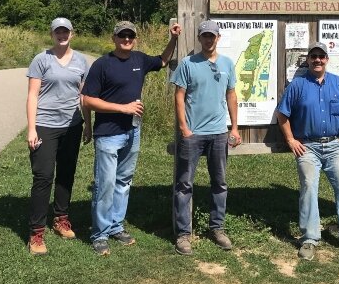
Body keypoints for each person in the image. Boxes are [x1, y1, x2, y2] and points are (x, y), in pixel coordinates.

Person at [82, 20, 181, 256]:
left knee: (123, 182)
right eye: (122, 35)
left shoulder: (139, 60)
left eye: (130, 35)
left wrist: (174, 38)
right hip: (108, 134)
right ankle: (100, 233)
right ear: (114, 38)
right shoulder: (102, 65)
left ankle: (116, 226)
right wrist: (123, 108)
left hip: (132, 132)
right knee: (104, 184)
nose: (126, 39)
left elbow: (163, 60)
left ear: (134, 38)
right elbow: (87, 100)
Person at [276, 41, 339, 261]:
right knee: (308, 188)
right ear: (308, 59)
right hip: (308, 147)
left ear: (327, 59)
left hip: (336, 146)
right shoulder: (297, 85)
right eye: (313, 56)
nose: (317, 60)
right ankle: (309, 238)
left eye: (321, 56)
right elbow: (282, 114)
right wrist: (290, 140)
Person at [171, 20, 240, 256]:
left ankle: (217, 228)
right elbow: (179, 97)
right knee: (184, 184)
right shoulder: (188, 64)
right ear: (199, 38)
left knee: (219, 183)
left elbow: (231, 95)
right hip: (193, 134)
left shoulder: (227, 64)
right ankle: (183, 234)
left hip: (219, 133)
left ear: (218, 38)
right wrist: (184, 128)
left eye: (212, 36)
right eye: (205, 36)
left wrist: (234, 128)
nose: (209, 40)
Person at [25, 17, 92, 256]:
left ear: (72, 34)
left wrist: (87, 124)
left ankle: (61, 219)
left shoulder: (81, 61)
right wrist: (31, 128)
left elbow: (83, 96)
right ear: (52, 34)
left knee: (66, 174)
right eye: (57, 32)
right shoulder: (41, 59)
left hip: (72, 125)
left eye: (65, 31)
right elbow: (33, 96)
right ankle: (36, 233)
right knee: (43, 176)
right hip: (45, 124)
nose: (62, 35)